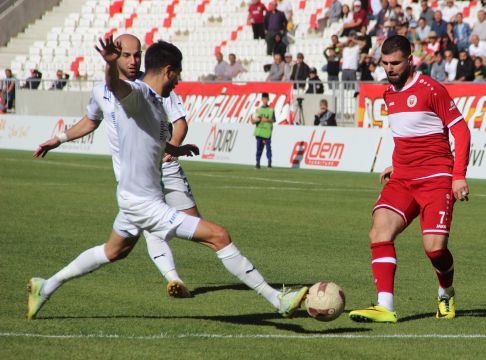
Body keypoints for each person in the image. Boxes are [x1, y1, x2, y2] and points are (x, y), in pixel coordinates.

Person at [27, 37, 308, 320]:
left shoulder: (158, 104)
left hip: (135, 198)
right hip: (143, 203)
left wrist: (176, 148)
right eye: (178, 73)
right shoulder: (139, 96)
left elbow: (150, 139)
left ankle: (46, 286)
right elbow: (115, 86)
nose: (179, 80)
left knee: (113, 251)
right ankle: (277, 300)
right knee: (218, 236)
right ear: (168, 70)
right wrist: (110, 65)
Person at [33, 34, 197, 298]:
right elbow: (90, 121)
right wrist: (60, 138)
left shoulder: (155, 82)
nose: (133, 61)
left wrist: (173, 148)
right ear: (115, 57)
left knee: (185, 226)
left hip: (163, 168)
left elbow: (179, 122)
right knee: (173, 229)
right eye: (126, 55)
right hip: (133, 181)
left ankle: (48, 285)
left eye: (137, 55)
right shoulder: (102, 91)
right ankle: (175, 279)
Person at [348, 35, 470, 324]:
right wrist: (395, 163)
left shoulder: (431, 89)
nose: (390, 68)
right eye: (385, 63)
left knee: (435, 249)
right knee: (379, 232)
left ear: (410, 60)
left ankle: (445, 290)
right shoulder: (388, 94)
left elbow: (462, 132)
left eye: (395, 63)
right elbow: (406, 135)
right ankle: (385, 306)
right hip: (403, 178)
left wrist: (459, 176)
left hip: (436, 178)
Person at [252, 92, 275, 168]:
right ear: (262, 99)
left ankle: (269, 163)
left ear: (268, 99)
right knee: (259, 148)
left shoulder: (271, 110)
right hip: (259, 131)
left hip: (267, 132)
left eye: (266, 99)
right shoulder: (258, 110)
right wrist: (254, 120)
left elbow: (273, 120)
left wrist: (266, 119)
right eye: (263, 99)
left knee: (268, 148)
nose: (265, 100)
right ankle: (257, 163)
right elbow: (253, 121)